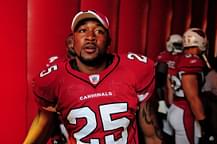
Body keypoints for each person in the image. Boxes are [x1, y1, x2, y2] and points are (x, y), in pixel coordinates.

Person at [23, 10, 162, 144]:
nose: (90, 37)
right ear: (73, 41)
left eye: (99, 31)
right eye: (82, 30)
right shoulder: (53, 79)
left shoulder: (134, 69)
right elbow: (43, 124)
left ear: (108, 42)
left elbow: (152, 135)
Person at [166, 28, 208, 144]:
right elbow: (192, 98)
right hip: (185, 112)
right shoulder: (191, 61)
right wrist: (204, 123)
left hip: (175, 107)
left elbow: (169, 86)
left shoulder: (177, 58)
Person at [155, 34, 183, 143]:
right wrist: (161, 102)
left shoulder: (184, 57)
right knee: (167, 132)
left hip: (179, 101)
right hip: (166, 98)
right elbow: (159, 81)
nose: (179, 47)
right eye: (176, 44)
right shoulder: (164, 57)